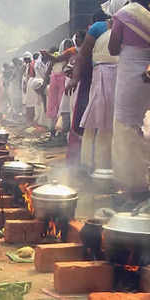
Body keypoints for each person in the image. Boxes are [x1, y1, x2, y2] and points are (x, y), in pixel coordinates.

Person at [66, 0, 127, 173]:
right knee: (98, 121)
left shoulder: (131, 26)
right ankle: (92, 165)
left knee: (121, 123)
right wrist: (74, 78)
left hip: (123, 76)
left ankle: (120, 167)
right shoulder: (98, 27)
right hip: (101, 78)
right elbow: (83, 55)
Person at [108, 0, 150, 204]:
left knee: (126, 128)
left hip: (132, 74)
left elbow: (113, 48)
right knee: (142, 127)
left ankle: (135, 188)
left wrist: (113, 27)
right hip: (147, 76)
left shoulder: (125, 14)